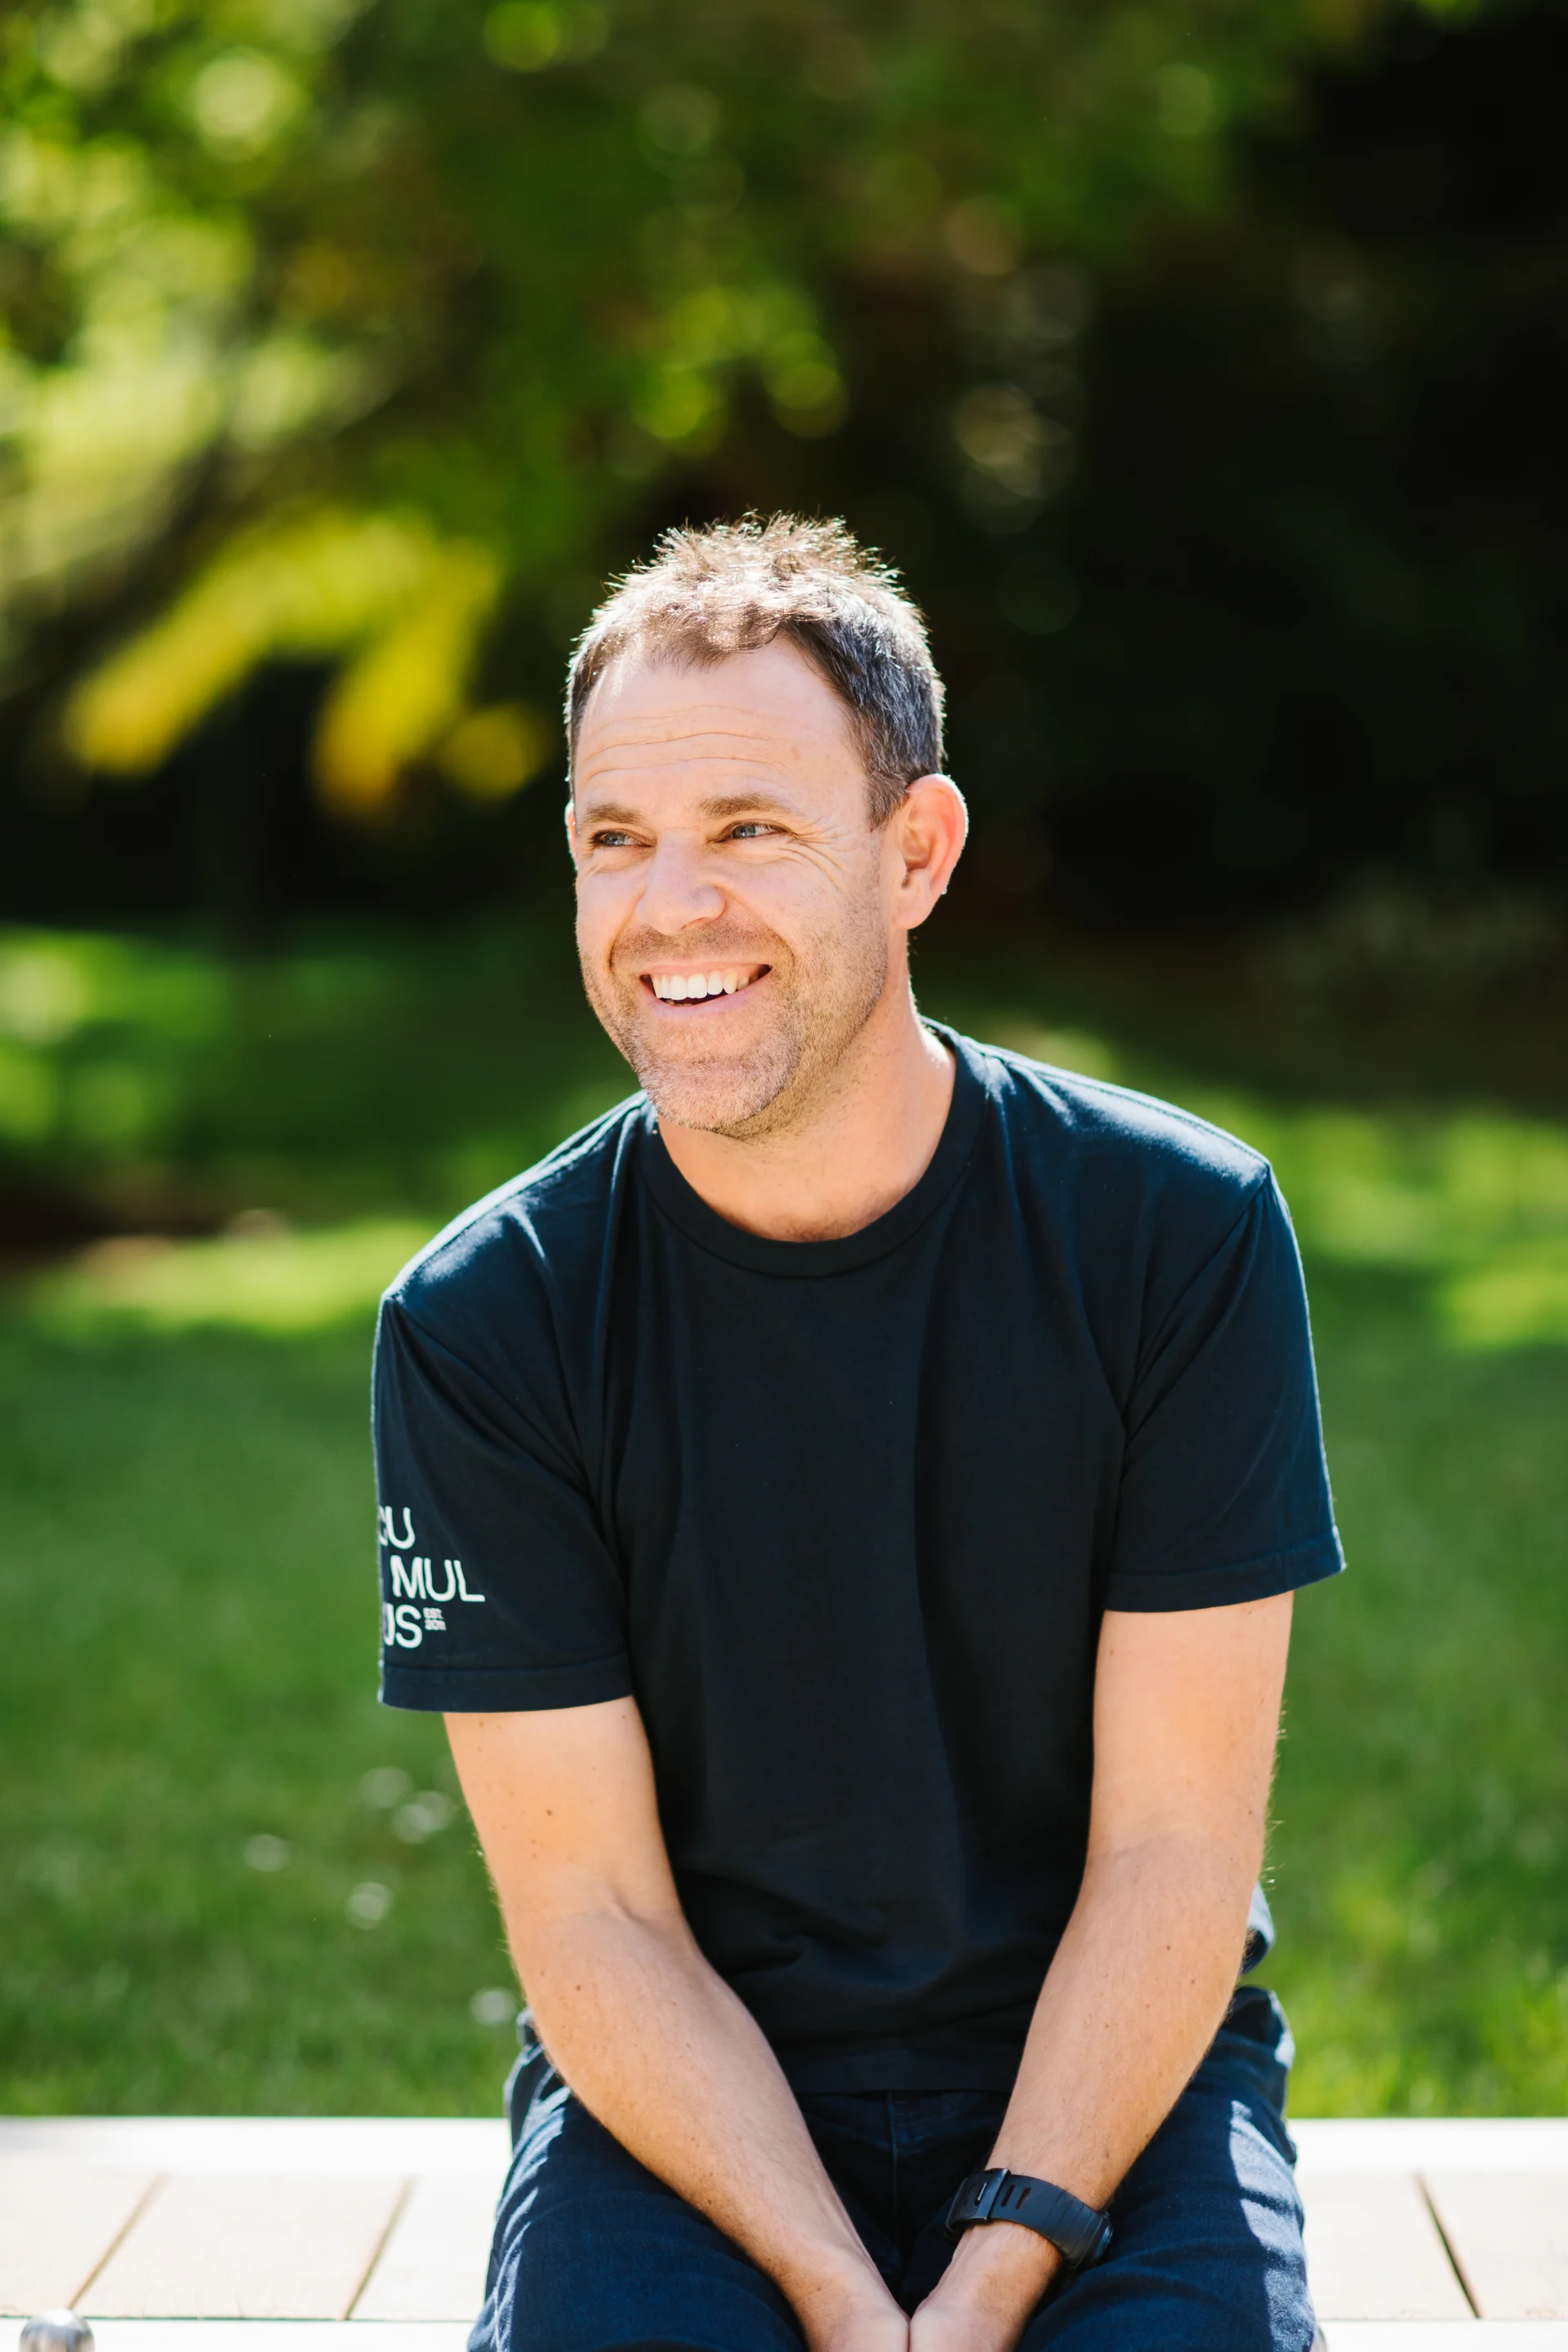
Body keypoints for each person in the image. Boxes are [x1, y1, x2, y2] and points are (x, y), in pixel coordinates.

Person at [372, 515, 1343, 2352]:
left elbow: (1174, 1856)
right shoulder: (482, 1318)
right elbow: (593, 1917)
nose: (670, 907)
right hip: (686, 2112)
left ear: (918, 853)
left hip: (1110, 2081)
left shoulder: (1179, 1233)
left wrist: (995, 2272)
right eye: (615, 840)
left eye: (749, 830)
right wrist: (829, 2283)